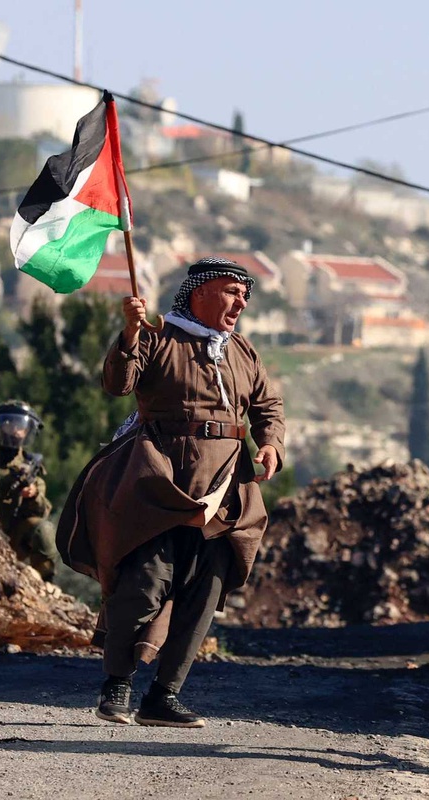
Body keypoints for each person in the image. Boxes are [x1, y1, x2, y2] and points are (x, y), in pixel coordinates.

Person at [57, 257, 285, 728]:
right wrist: (130, 334)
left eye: (245, 294)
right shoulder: (158, 338)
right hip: (158, 484)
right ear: (198, 294)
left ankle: (164, 696)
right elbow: (118, 383)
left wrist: (270, 445)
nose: (241, 301)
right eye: (230, 291)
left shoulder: (242, 352)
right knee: (144, 585)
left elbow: (268, 405)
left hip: (224, 490)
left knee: (205, 592)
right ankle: (116, 686)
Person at [0, 400, 57, 580]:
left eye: (20, 426)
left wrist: (33, 495)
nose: (15, 431)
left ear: (28, 431)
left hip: (12, 537)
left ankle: (45, 583)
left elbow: (42, 512)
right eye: (10, 425)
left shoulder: (30, 467)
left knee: (44, 529)